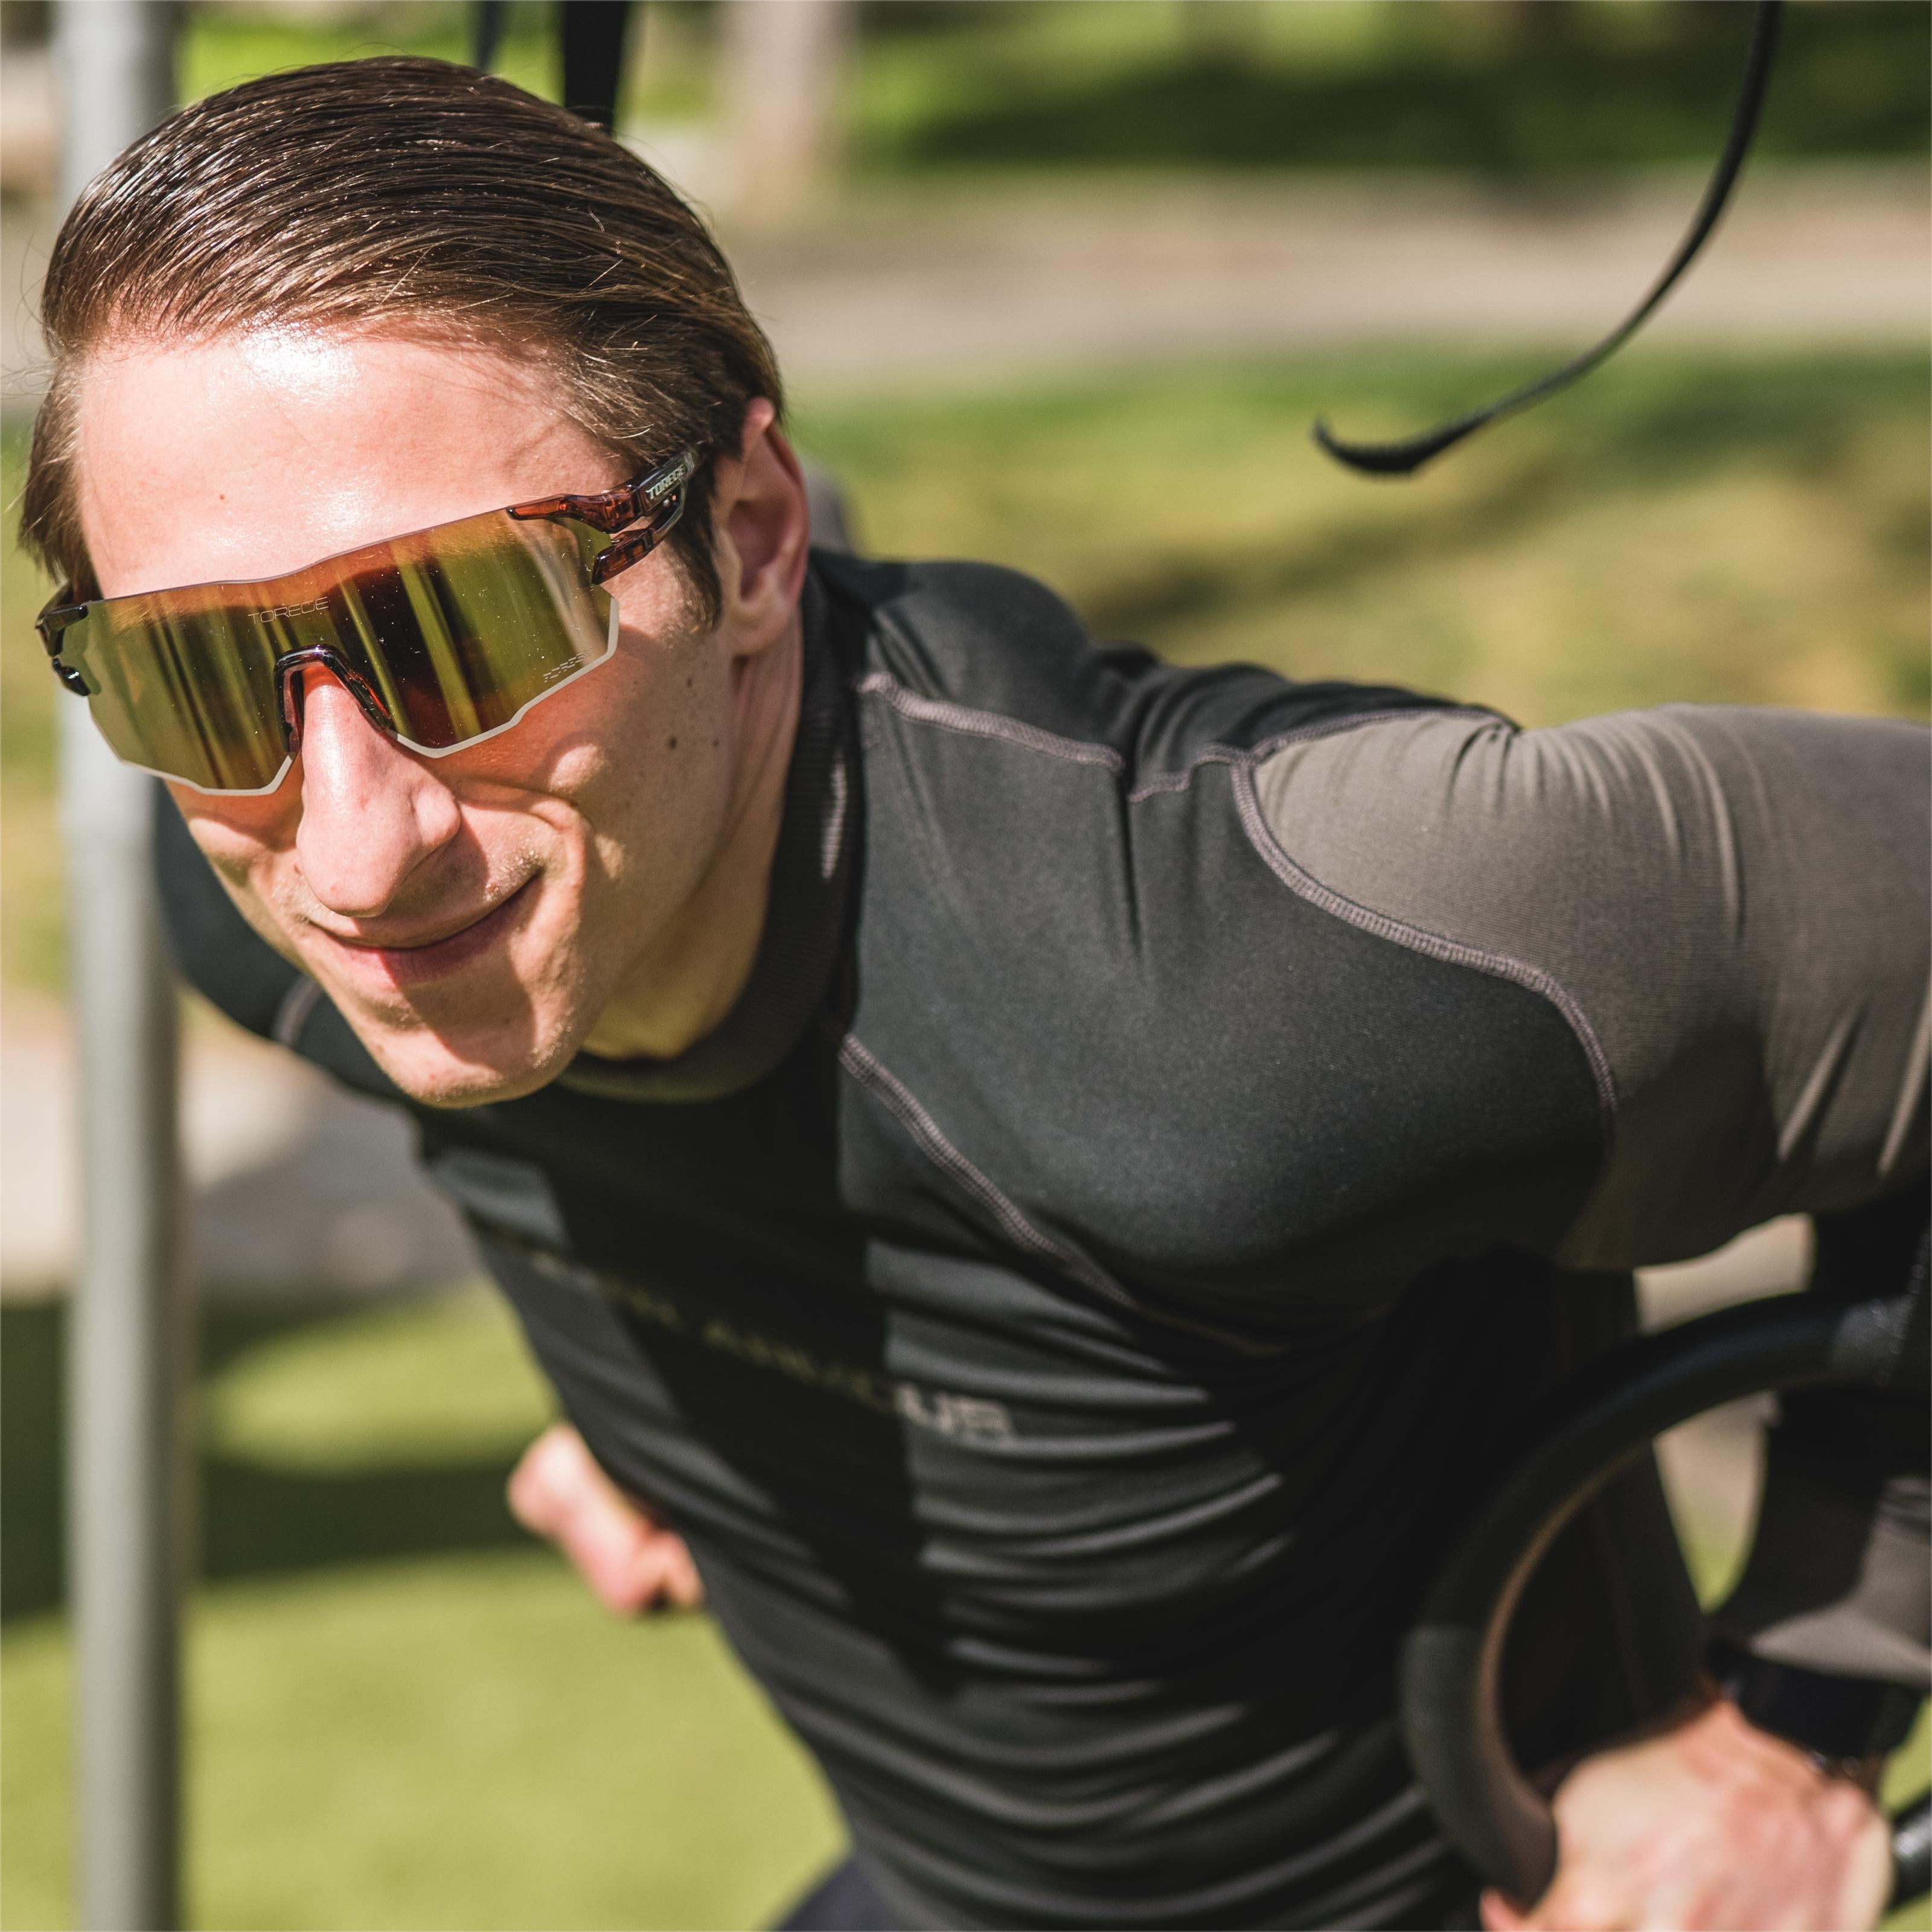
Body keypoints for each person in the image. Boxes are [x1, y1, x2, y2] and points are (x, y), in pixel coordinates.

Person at [25, 57, 1927, 1932]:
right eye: (199, 677)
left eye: (465, 625)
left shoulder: (1245, 978)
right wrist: (669, 1412)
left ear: (747, 538)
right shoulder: (280, 915)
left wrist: (1806, 1706)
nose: (357, 851)